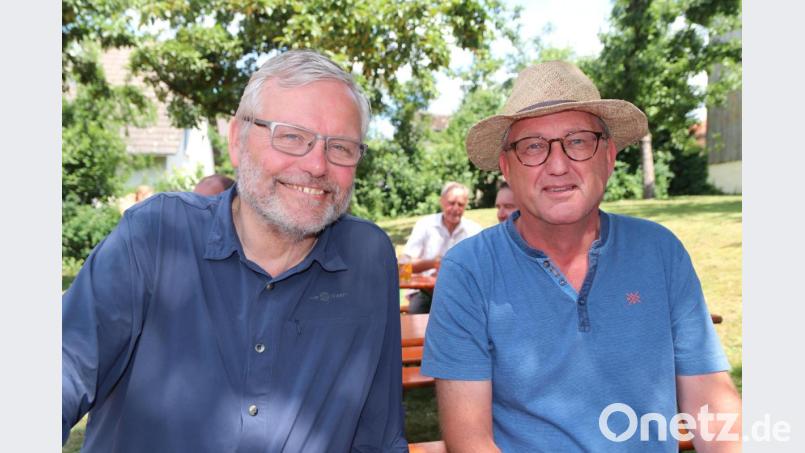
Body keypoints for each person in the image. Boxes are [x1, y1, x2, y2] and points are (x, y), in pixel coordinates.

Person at [62, 50, 408, 453]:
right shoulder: (156, 235)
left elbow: (380, 437)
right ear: (237, 141)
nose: (317, 164)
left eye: (341, 147)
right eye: (292, 136)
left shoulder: (368, 258)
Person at [421, 61, 741, 452]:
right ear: (506, 166)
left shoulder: (660, 251)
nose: (558, 166)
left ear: (608, 155)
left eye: (577, 141)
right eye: (534, 146)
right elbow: (469, 442)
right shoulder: (468, 270)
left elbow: (712, 405)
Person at [401, 181, 482, 313]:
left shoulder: (474, 230)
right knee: (417, 318)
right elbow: (402, 268)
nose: (455, 208)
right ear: (442, 202)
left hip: (460, 293)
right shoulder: (425, 225)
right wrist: (434, 263)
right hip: (424, 293)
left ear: (466, 205)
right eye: (451, 203)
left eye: (460, 204)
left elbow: (482, 268)